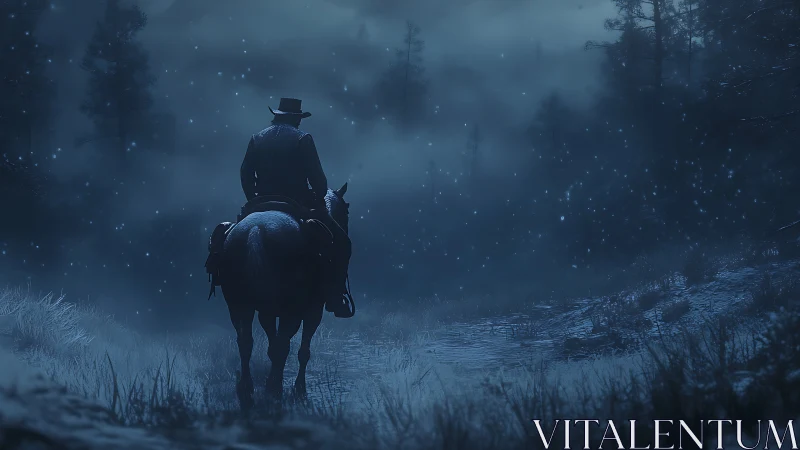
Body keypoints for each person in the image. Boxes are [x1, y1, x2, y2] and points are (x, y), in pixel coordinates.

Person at [239, 98, 353, 317]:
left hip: (259, 202)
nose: (300, 123)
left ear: (277, 116)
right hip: (296, 203)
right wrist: (317, 197)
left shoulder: (257, 138)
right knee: (342, 243)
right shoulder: (303, 139)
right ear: (295, 118)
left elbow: (245, 174)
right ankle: (334, 297)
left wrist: (252, 198)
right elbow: (318, 180)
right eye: (299, 118)